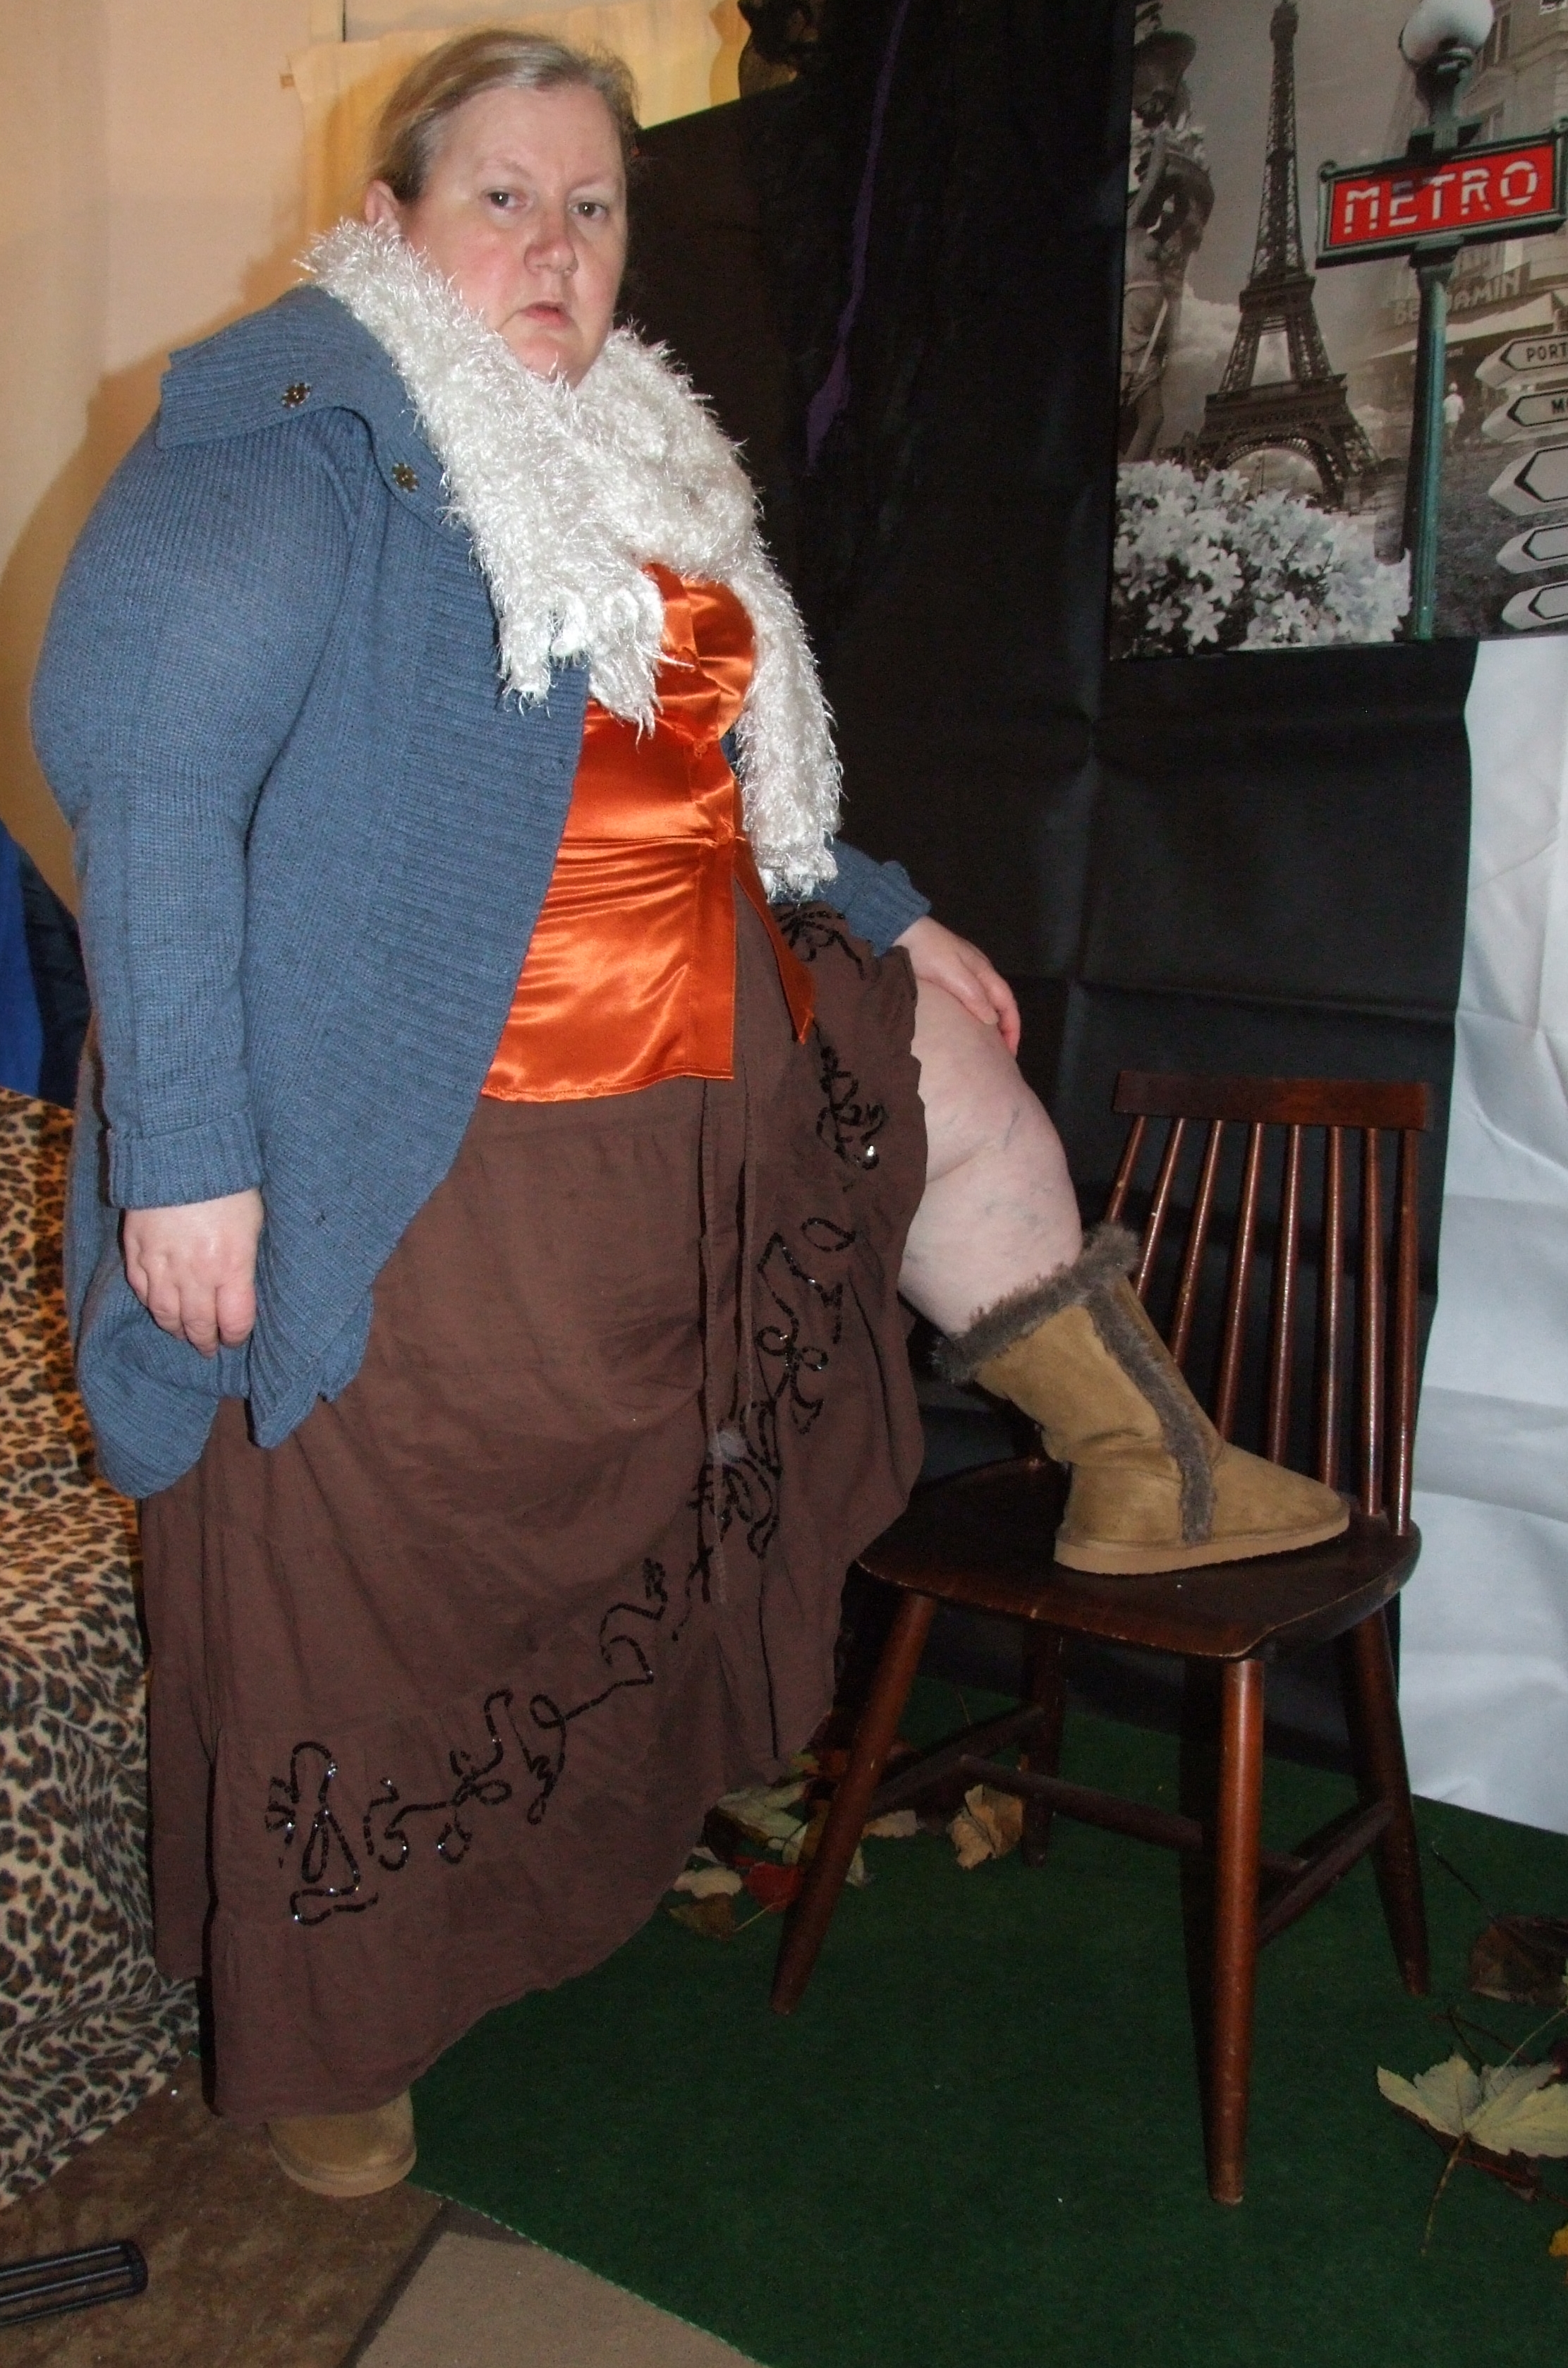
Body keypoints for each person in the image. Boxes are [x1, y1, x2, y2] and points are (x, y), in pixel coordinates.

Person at [32, 30, 1340, 2202]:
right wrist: (184, 1162)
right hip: (424, 1141)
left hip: (670, 1101)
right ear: (385, 221)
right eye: (502, 199)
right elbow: (149, 784)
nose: (556, 246)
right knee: (362, 1614)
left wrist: (888, 914)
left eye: (594, 205)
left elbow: (720, 772)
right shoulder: (300, 435)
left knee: (943, 1066)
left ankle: (1144, 1462)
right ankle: (330, 2034)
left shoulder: (639, 463)